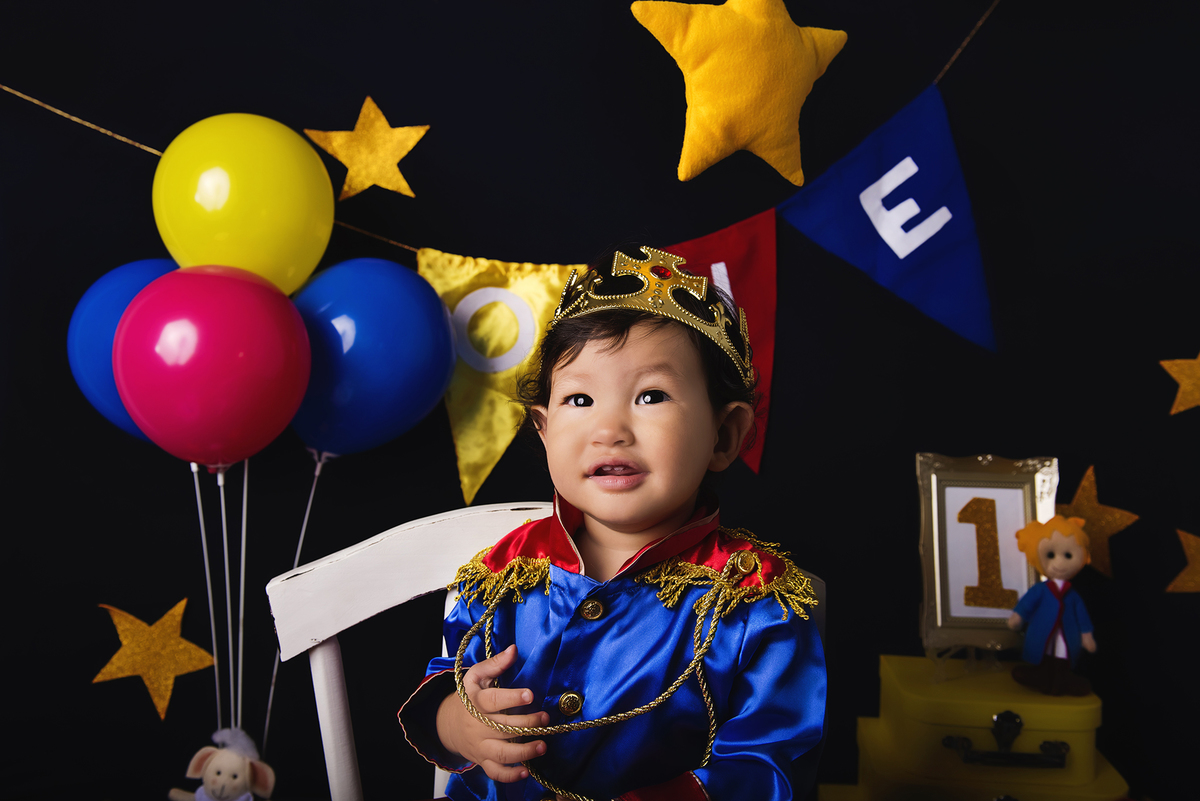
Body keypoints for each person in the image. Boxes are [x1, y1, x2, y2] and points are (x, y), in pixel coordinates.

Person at [399, 246, 826, 800]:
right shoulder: (503, 573)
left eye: (651, 396)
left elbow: (770, 768)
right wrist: (456, 720)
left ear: (724, 436)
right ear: (544, 430)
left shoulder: (754, 602)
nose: (609, 429)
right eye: (580, 398)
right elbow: (449, 672)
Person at [1006, 515, 1096, 696]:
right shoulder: (1041, 590)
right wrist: (1017, 618)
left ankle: (1061, 681)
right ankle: (1042, 677)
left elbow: (1082, 616)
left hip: (1066, 632)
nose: (1060, 562)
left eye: (1068, 555)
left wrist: (1086, 636)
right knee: (1043, 650)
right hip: (1043, 630)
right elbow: (1027, 604)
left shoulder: (1073, 596)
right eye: (1051, 555)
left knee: (1063, 653)